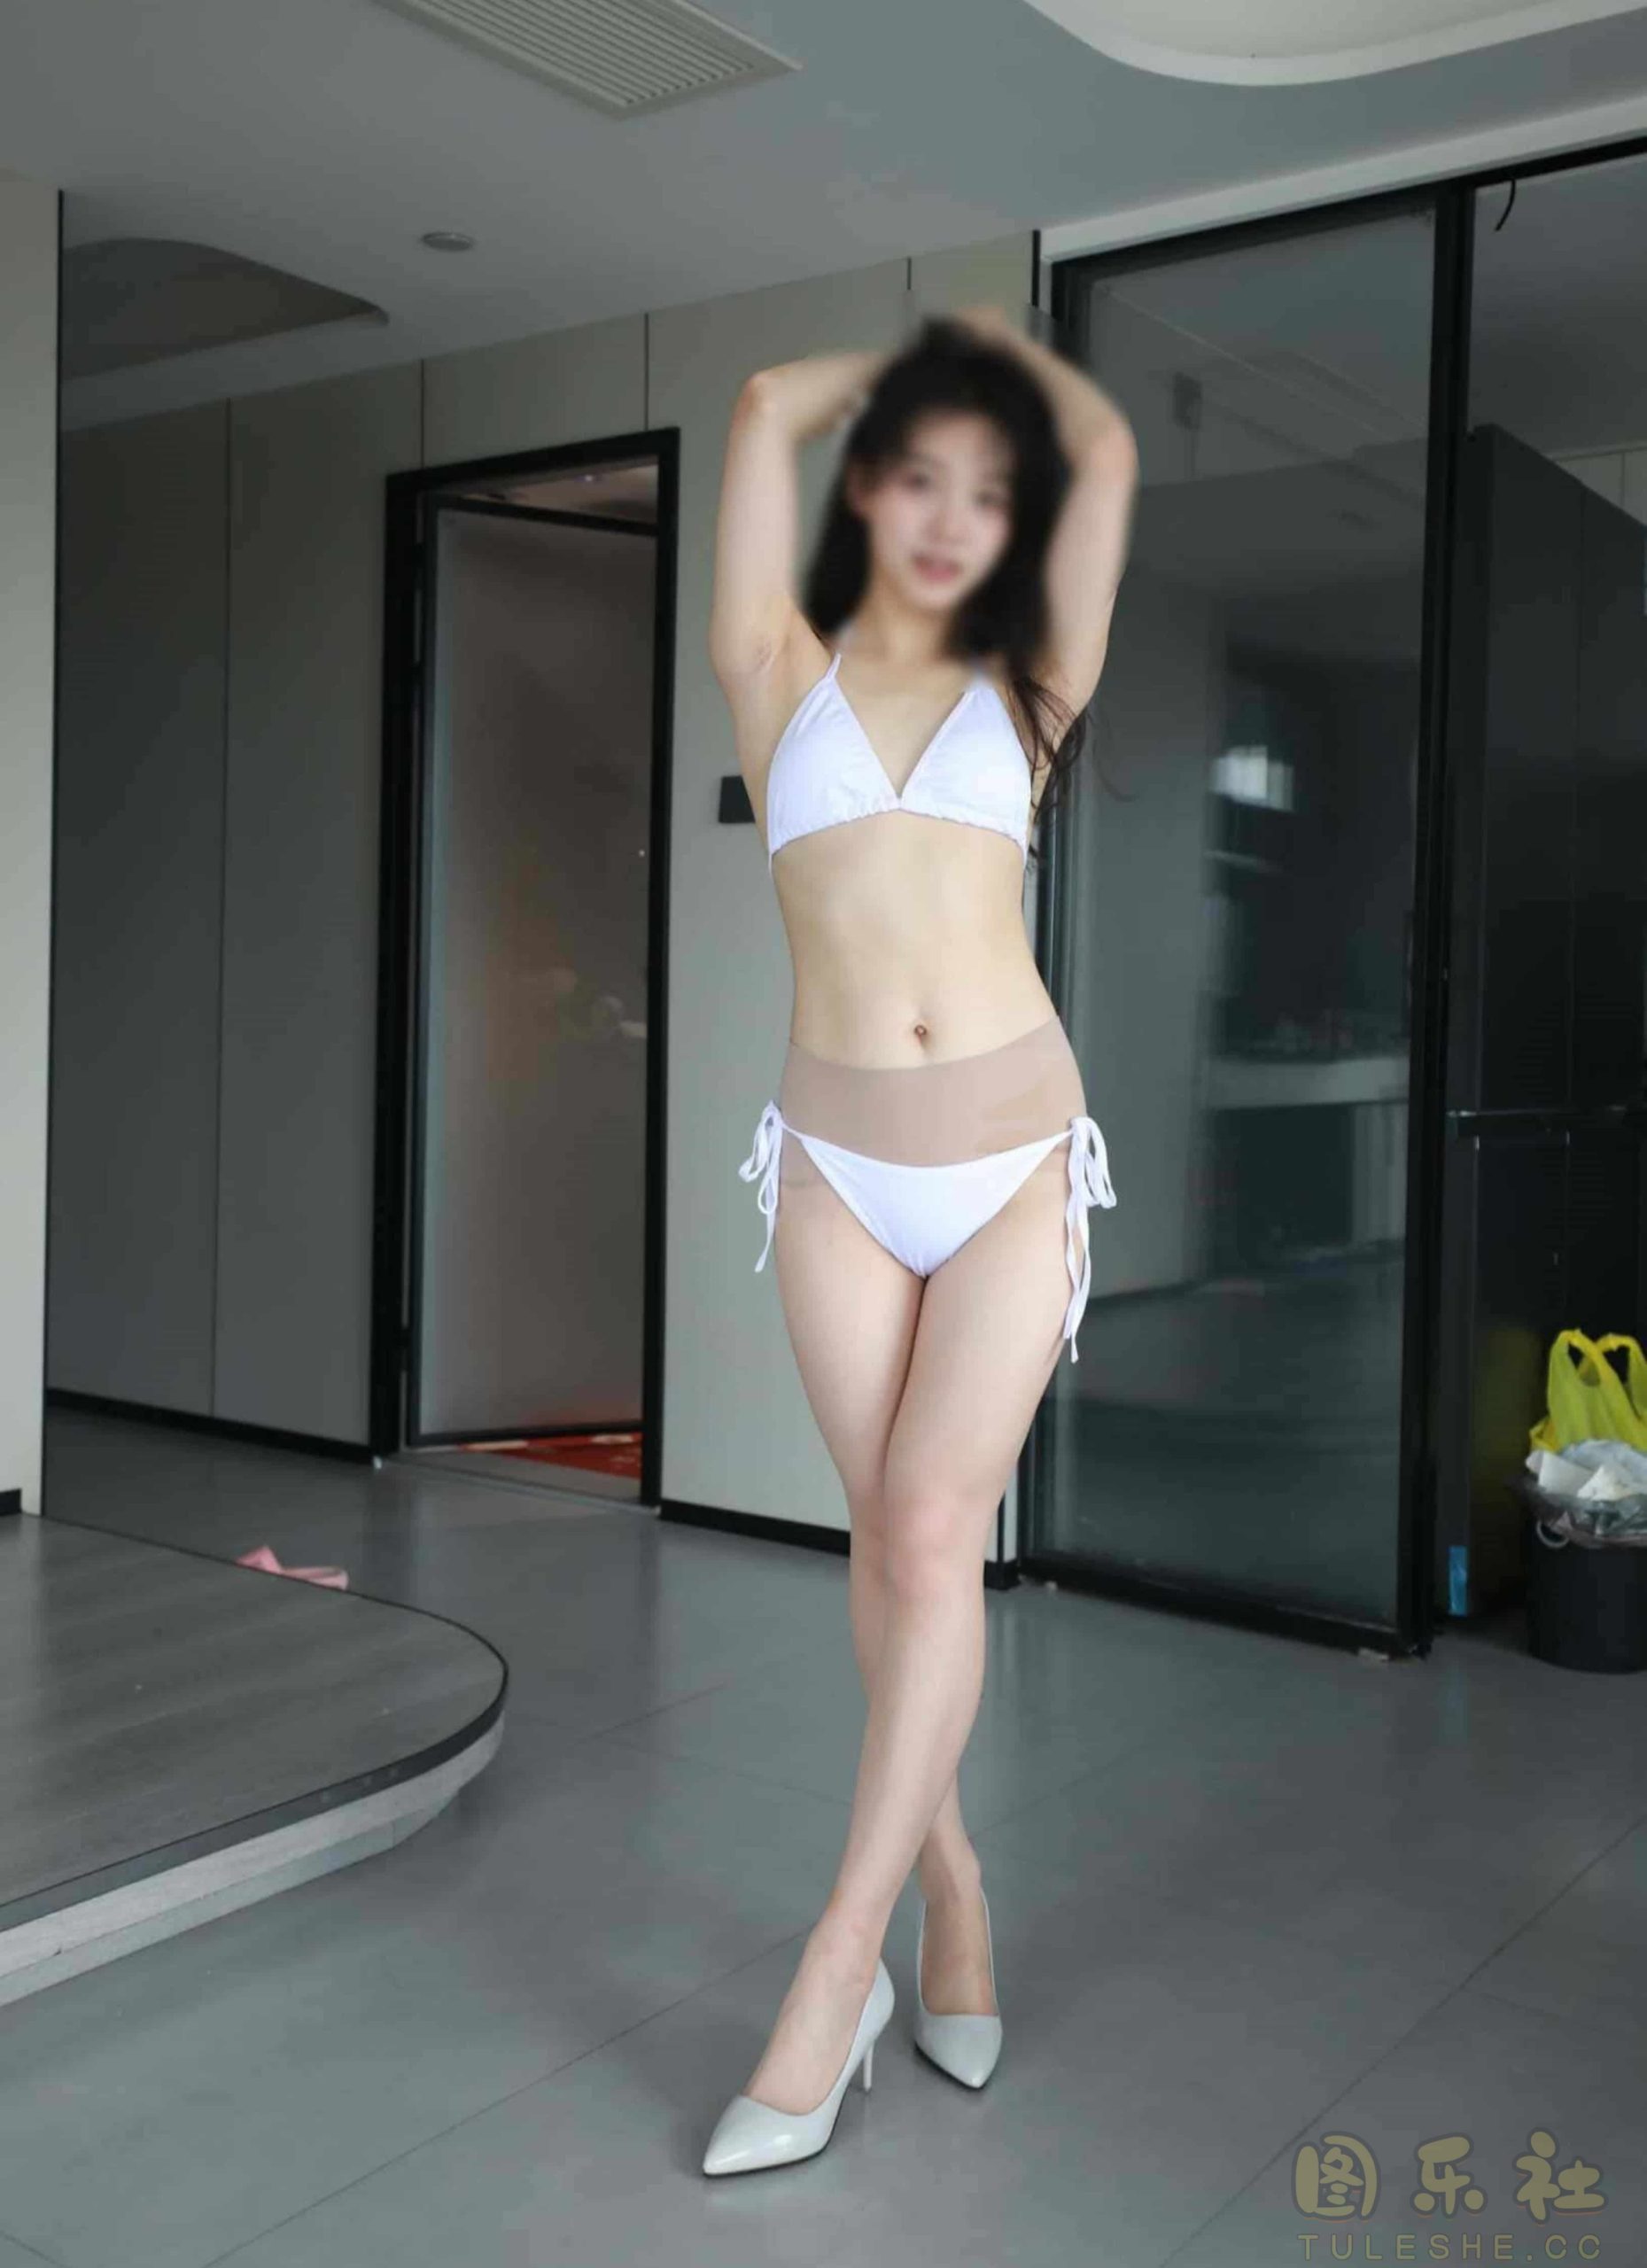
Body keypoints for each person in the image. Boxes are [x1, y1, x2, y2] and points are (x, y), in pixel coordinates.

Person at [702, 305, 1138, 2176]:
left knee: (936, 1533)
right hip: (834, 1167)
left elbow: (1106, 454)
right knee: (887, 1546)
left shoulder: (1028, 688)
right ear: (868, 492)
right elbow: (753, 401)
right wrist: (889, 365)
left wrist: (1007, 379)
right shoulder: (772, 666)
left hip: (1014, 1158)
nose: (956, 517)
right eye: (922, 478)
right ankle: (953, 1886)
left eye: (986, 492)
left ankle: (836, 1967)